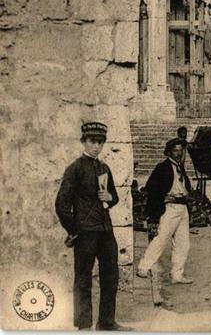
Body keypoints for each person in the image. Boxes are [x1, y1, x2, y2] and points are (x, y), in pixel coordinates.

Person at [55, 121, 123, 331]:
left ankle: (106, 322)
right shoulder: (74, 169)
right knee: (83, 278)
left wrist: (109, 197)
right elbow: (61, 204)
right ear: (83, 142)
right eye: (92, 141)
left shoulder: (104, 168)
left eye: (100, 142)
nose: (96, 146)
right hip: (85, 233)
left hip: (105, 230)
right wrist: (74, 230)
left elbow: (114, 198)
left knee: (111, 275)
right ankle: (84, 326)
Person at [136, 138, 193, 289]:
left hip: (182, 207)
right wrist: (163, 198)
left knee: (183, 243)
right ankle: (143, 267)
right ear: (169, 152)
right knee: (161, 238)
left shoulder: (180, 167)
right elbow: (151, 187)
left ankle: (177, 274)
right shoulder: (162, 167)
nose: (178, 154)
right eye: (175, 151)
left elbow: (185, 186)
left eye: (180, 151)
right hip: (170, 208)